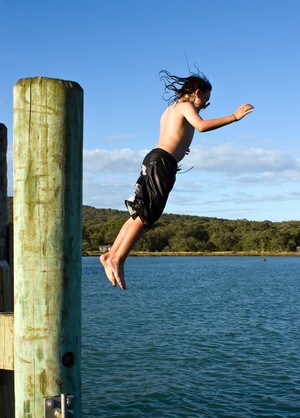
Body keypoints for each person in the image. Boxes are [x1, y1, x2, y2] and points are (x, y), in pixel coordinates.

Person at [100, 70, 254, 290]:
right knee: (147, 216)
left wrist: (181, 149)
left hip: (157, 160)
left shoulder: (171, 109)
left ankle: (112, 255)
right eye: (205, 101)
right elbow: (201, 126)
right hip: (162, 162)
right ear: (197, 92)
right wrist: (234, 117)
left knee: (139, 212)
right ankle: (118, 258)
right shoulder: (185, 105)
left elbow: (175, 135)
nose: (204, 106)